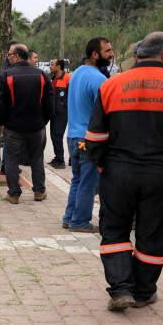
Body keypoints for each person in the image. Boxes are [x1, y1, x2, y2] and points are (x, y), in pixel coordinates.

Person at [86, 32, 163, 311]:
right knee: (153, 235)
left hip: (118, 171)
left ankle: (120, 289)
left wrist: (106, 167)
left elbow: (94, 138)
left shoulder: (112, 85)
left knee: (114, 230)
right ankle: (142, 291)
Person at [62, 37, 114, 232]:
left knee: (78, 179)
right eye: (107, 51)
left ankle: (69, 217)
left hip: (74, 136)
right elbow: (106, 112)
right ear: (95, 54)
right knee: (88, 182)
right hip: (89, 139)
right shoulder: (98, 79)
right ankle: (80, 221)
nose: (111, 54)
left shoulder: (77, 73)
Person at [0, 43, 53, 204]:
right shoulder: (42, 75)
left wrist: (1, 122)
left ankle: (14, 194)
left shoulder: (6, 75)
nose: (8, 57)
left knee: (11, 159)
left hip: (13, 127)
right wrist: (44, 121)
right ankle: (39, 191)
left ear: (16, 56)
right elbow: (49, 102)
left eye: (9, 55)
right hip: (37, 126)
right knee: (36, 158)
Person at [48, 59, 71, 169]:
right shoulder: (53, 78)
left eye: (52, 65)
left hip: (62, 113)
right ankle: (57, 157)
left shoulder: (67, 78)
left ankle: (61, 160)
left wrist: (64, 107)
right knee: (53, 136)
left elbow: (71, 95)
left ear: (59, 67)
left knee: (57, 135)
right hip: (53, 112)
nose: (50, 67)